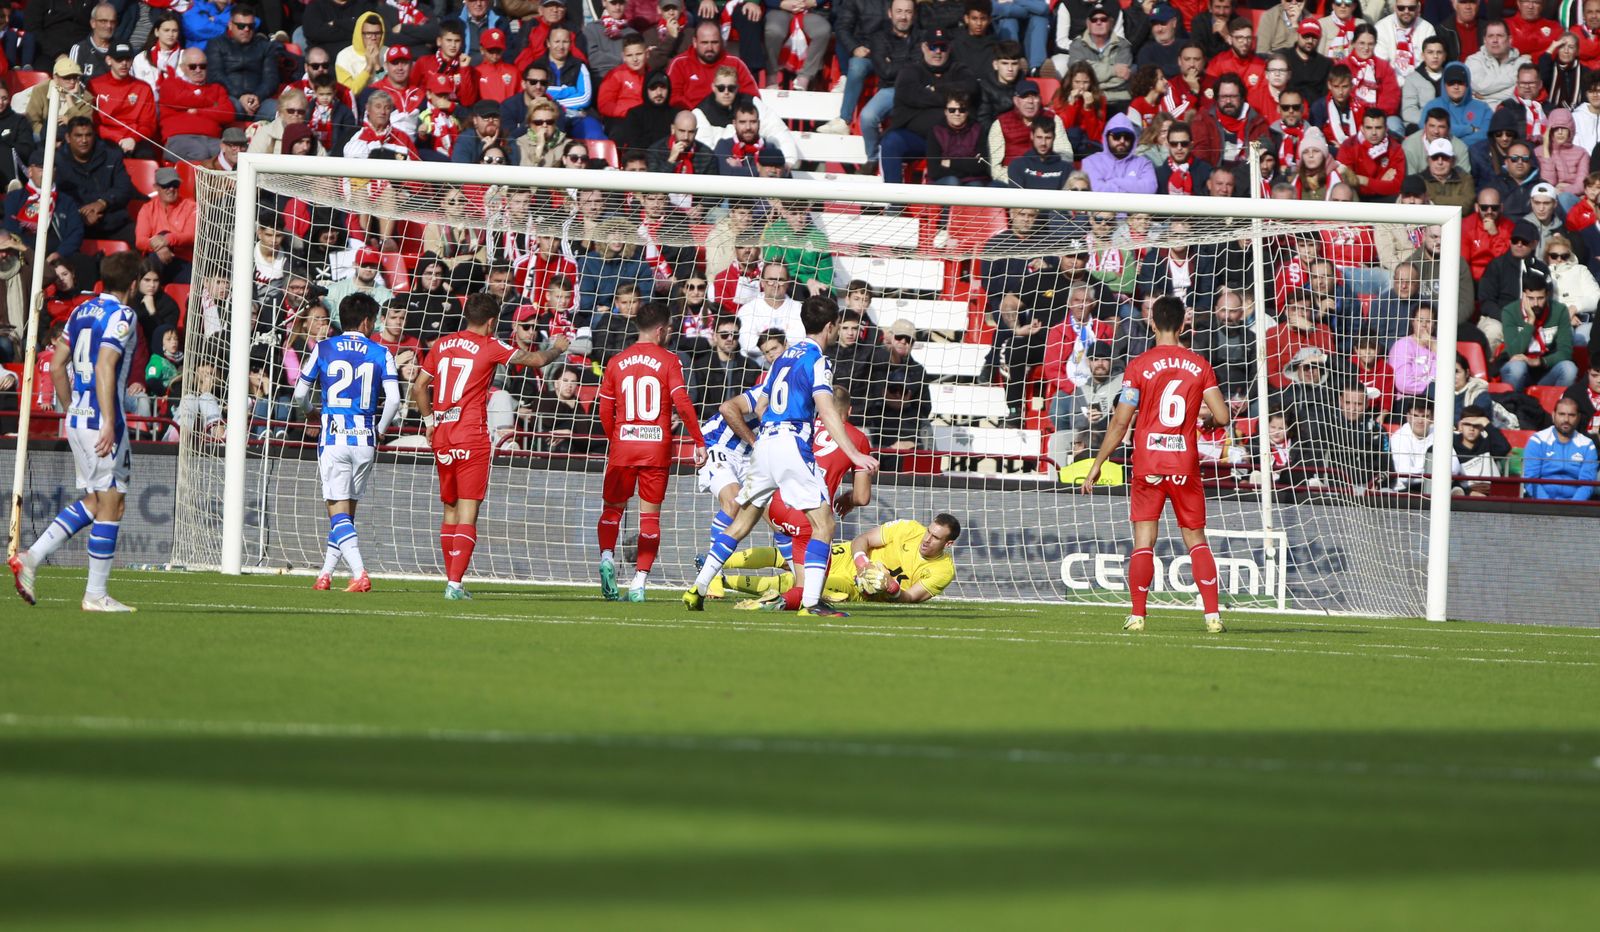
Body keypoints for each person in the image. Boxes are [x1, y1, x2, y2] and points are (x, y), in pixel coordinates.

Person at [685, 295, 878, 617]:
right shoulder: (817, 360)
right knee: (824, 524)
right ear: (830, 327)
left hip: (764, 445)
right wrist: (855, 454)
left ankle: (698, 588)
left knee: (741, 522)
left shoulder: (783, 358)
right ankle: (812, 603)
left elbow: (759, 406)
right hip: (790, 442)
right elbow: (827, 410)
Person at [1081, 294, 1231, 635]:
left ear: (1152, 323)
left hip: (1148, 463)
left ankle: (1137, 616)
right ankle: (1212, 616)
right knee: (1196, 539)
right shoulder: (1199, 364)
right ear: (1183, 324)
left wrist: (1097, 463)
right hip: (1184, 463)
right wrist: (1206, 423)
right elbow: (1221, 415)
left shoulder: (1139, 366)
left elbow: (1120, 423)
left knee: (1144, 540)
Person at [411, 292, 570, 599]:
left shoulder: (441, 344)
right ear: (493, 321)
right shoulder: (491, 345)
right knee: (469, 511)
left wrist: (430, 424)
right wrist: (558, 349)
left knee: (450, 510)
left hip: (443, 434)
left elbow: (418, 386)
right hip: (471, 436)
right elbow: (535, 359)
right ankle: (454, 585)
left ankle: (452, 580)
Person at [9, 251, 144, 612]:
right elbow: (105, 365)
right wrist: (108, 420)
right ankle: (95, 595)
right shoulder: (122, 315)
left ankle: (32, 558)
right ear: (133, 285)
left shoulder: (80, 311)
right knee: (112, 503)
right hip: (102, 420)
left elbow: (56, 366)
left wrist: (71, 410)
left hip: (77, 418)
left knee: (98, 501)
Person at [290, 293, 402, 593]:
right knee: (346, 514)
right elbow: (394, 400)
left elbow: (300, 394)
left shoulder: (324, 348)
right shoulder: (381, 352)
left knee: (337, 511)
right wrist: (378, 429)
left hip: (335, 438)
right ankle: (325, 575)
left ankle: (359, 572)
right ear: (365, 321)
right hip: (365, 441)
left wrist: (312, 412)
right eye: (375, 319)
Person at [595, 302, 707, 601]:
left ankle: (607, 557)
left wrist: (616, 438)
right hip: (656, 448)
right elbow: (682, 403)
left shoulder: (617, 361)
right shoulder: (670, 361)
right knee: (650, 519)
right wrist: (698, 440)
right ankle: (639, 583)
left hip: (623, 446)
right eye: (669, 329)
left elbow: (605, 409)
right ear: (660, 330)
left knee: (612, 510)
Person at [1521, 396, 1597, 500]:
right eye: (1562, 414)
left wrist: (1572, 508)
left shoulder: (1588, 445)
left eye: (1571, 415)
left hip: (1575, 507)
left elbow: (1587, 483)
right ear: (1553, 416)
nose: (1566, 419)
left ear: (1578, 417)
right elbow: (1531, 479)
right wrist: (1549, 506)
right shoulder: (1538, 440)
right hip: (1541, 505)